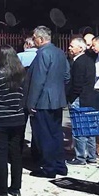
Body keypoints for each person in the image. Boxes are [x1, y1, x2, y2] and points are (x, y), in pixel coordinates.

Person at [26, 26, 70, 179]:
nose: (33, 41)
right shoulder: (60, 52)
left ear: (40, 39)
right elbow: (67, 76)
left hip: (43, 101)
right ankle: (60, 165)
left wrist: (31, 103)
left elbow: (38, 80)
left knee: (44, 135)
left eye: (34, 38)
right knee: (56, 133)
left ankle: (48, 167)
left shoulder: (42, 54)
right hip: (57, 99)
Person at [0, 45, 27, 196]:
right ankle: (16, 187)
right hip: (17, 117)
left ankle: (2, 189)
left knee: (1, 153)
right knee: (16, 154)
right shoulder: (21, 74)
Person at [65, 37, 98, 166]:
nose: (69, 48)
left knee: (79, 128)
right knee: (89, 128)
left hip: (79, 98)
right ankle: (91, 155)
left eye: (72, 46)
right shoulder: (89, 60)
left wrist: (71, 97)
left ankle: (80, 157)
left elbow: (77, 84)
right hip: (89, 98)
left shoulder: (79, 62)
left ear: (81, 48)